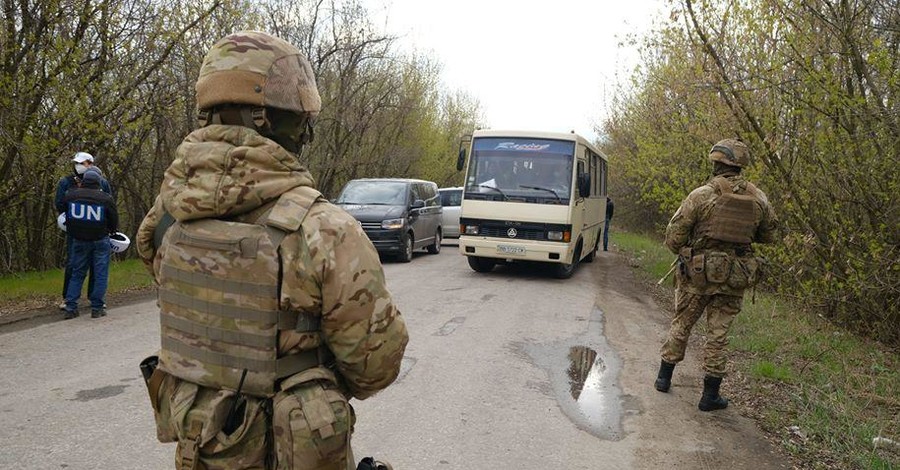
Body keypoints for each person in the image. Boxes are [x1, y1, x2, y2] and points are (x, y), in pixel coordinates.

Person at [136, 31, 408, 469]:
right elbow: (375, 363)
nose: (308, 129)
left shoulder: (166, 217)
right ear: (262, 117)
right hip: (290, 449)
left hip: (202, 443)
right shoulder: (324, 229)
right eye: (299, 116)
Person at [654, 138, 778, 411]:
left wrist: (691, 249)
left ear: (715, 163)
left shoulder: (701, 195)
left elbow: (674, 238)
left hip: (697, 275)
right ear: (741, 166)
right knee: (718, 335)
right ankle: (709, 396)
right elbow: (769, 235)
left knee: (682, 324)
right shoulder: (758, 197)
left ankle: (664, 379)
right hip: (734, 276)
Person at [55, 152, 112, 310]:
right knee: (73, 264)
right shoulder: (66, 182)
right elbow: (60, 204)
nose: (79, 165)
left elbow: (109, 204)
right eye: (77, 163)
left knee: (97, 266)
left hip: (98, 231)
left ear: (91, 163)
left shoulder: (103, 183)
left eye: (83, 163)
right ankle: (68, 299)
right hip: (76, 231)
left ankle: (96, 299)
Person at [61, 168, 118, 319]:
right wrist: (111, 231)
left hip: (78, 240)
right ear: (98, 182)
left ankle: (71, 306)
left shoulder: (71, 196)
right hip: (99, 240)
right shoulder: (105, 199)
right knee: (100, 274)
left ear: (84, 181)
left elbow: (63, 211)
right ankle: (97, 308)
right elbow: (114, 221)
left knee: (77, 273)